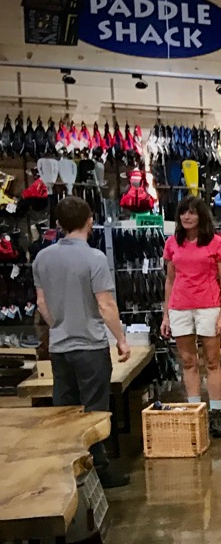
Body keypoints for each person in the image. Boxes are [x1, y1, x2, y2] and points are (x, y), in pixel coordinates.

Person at [33, 196, 131, 488]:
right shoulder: (94, 258)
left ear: (58, 224)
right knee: (94, 411)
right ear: (90, 220)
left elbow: (41, 304)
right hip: (90, 346)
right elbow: (105, 304)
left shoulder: (42, 258)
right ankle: (98, 470)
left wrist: (59, 325)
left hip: (59, 348)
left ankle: (69, 471)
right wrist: (121, 339)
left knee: (66, 410)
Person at [161, 196, 221, 438]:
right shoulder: (172, 243)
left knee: (212, 361)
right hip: (179, 307)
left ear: (201, 216)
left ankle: (215, 414)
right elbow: (170, 280)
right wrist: (166, 315)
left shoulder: (217, 243)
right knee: (188, 361)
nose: (187, 217)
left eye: (191, 212)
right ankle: (194, 412)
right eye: (183, 212)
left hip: (209, 306)